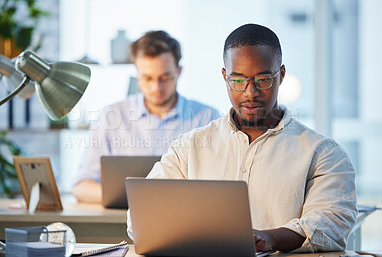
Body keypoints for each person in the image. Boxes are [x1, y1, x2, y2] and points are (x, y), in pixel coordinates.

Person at [127, 24, 357, 252]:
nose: (250, 92)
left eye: (263, 79)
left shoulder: (323, 153)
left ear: (282, 75)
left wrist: (269, 238)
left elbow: (332, 222)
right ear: (225, 77)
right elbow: (141, 217)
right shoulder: (189, 147)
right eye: (238, 80)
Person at [73, 30, 220, 203]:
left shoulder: (206, 118)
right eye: (147, 78)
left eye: (165, 78)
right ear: (136, 73)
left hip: (188, 221)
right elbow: (82, 186)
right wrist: (140, 197)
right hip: (124, 221)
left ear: (179, 71)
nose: (156, 87)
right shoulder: (111, 116)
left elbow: (219, 184)